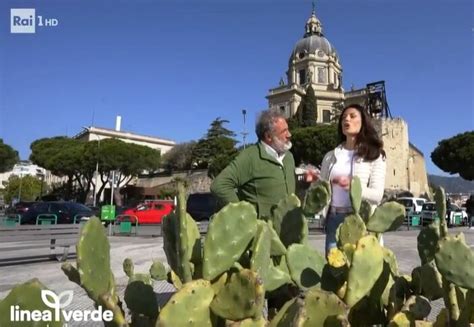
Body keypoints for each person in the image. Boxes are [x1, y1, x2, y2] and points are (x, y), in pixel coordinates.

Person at [319, 104, 386, 256]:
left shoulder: (375, 155)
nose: (346, 120)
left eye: (352, 116)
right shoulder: (330, 157)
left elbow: (377, 195)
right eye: (343, 118)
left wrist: (353, 187)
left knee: (362, 274)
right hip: (334, 219)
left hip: (361, 221)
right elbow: (322, 189)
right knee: (334, 272)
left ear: (363, 122)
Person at [210, 110, 295, 218]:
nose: (289, 134)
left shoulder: (289, 157)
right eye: (284, 131)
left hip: (289, 232)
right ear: (269, 136)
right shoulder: (250, 157)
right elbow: (219, 185)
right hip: (263, 233)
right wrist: (243, 215)